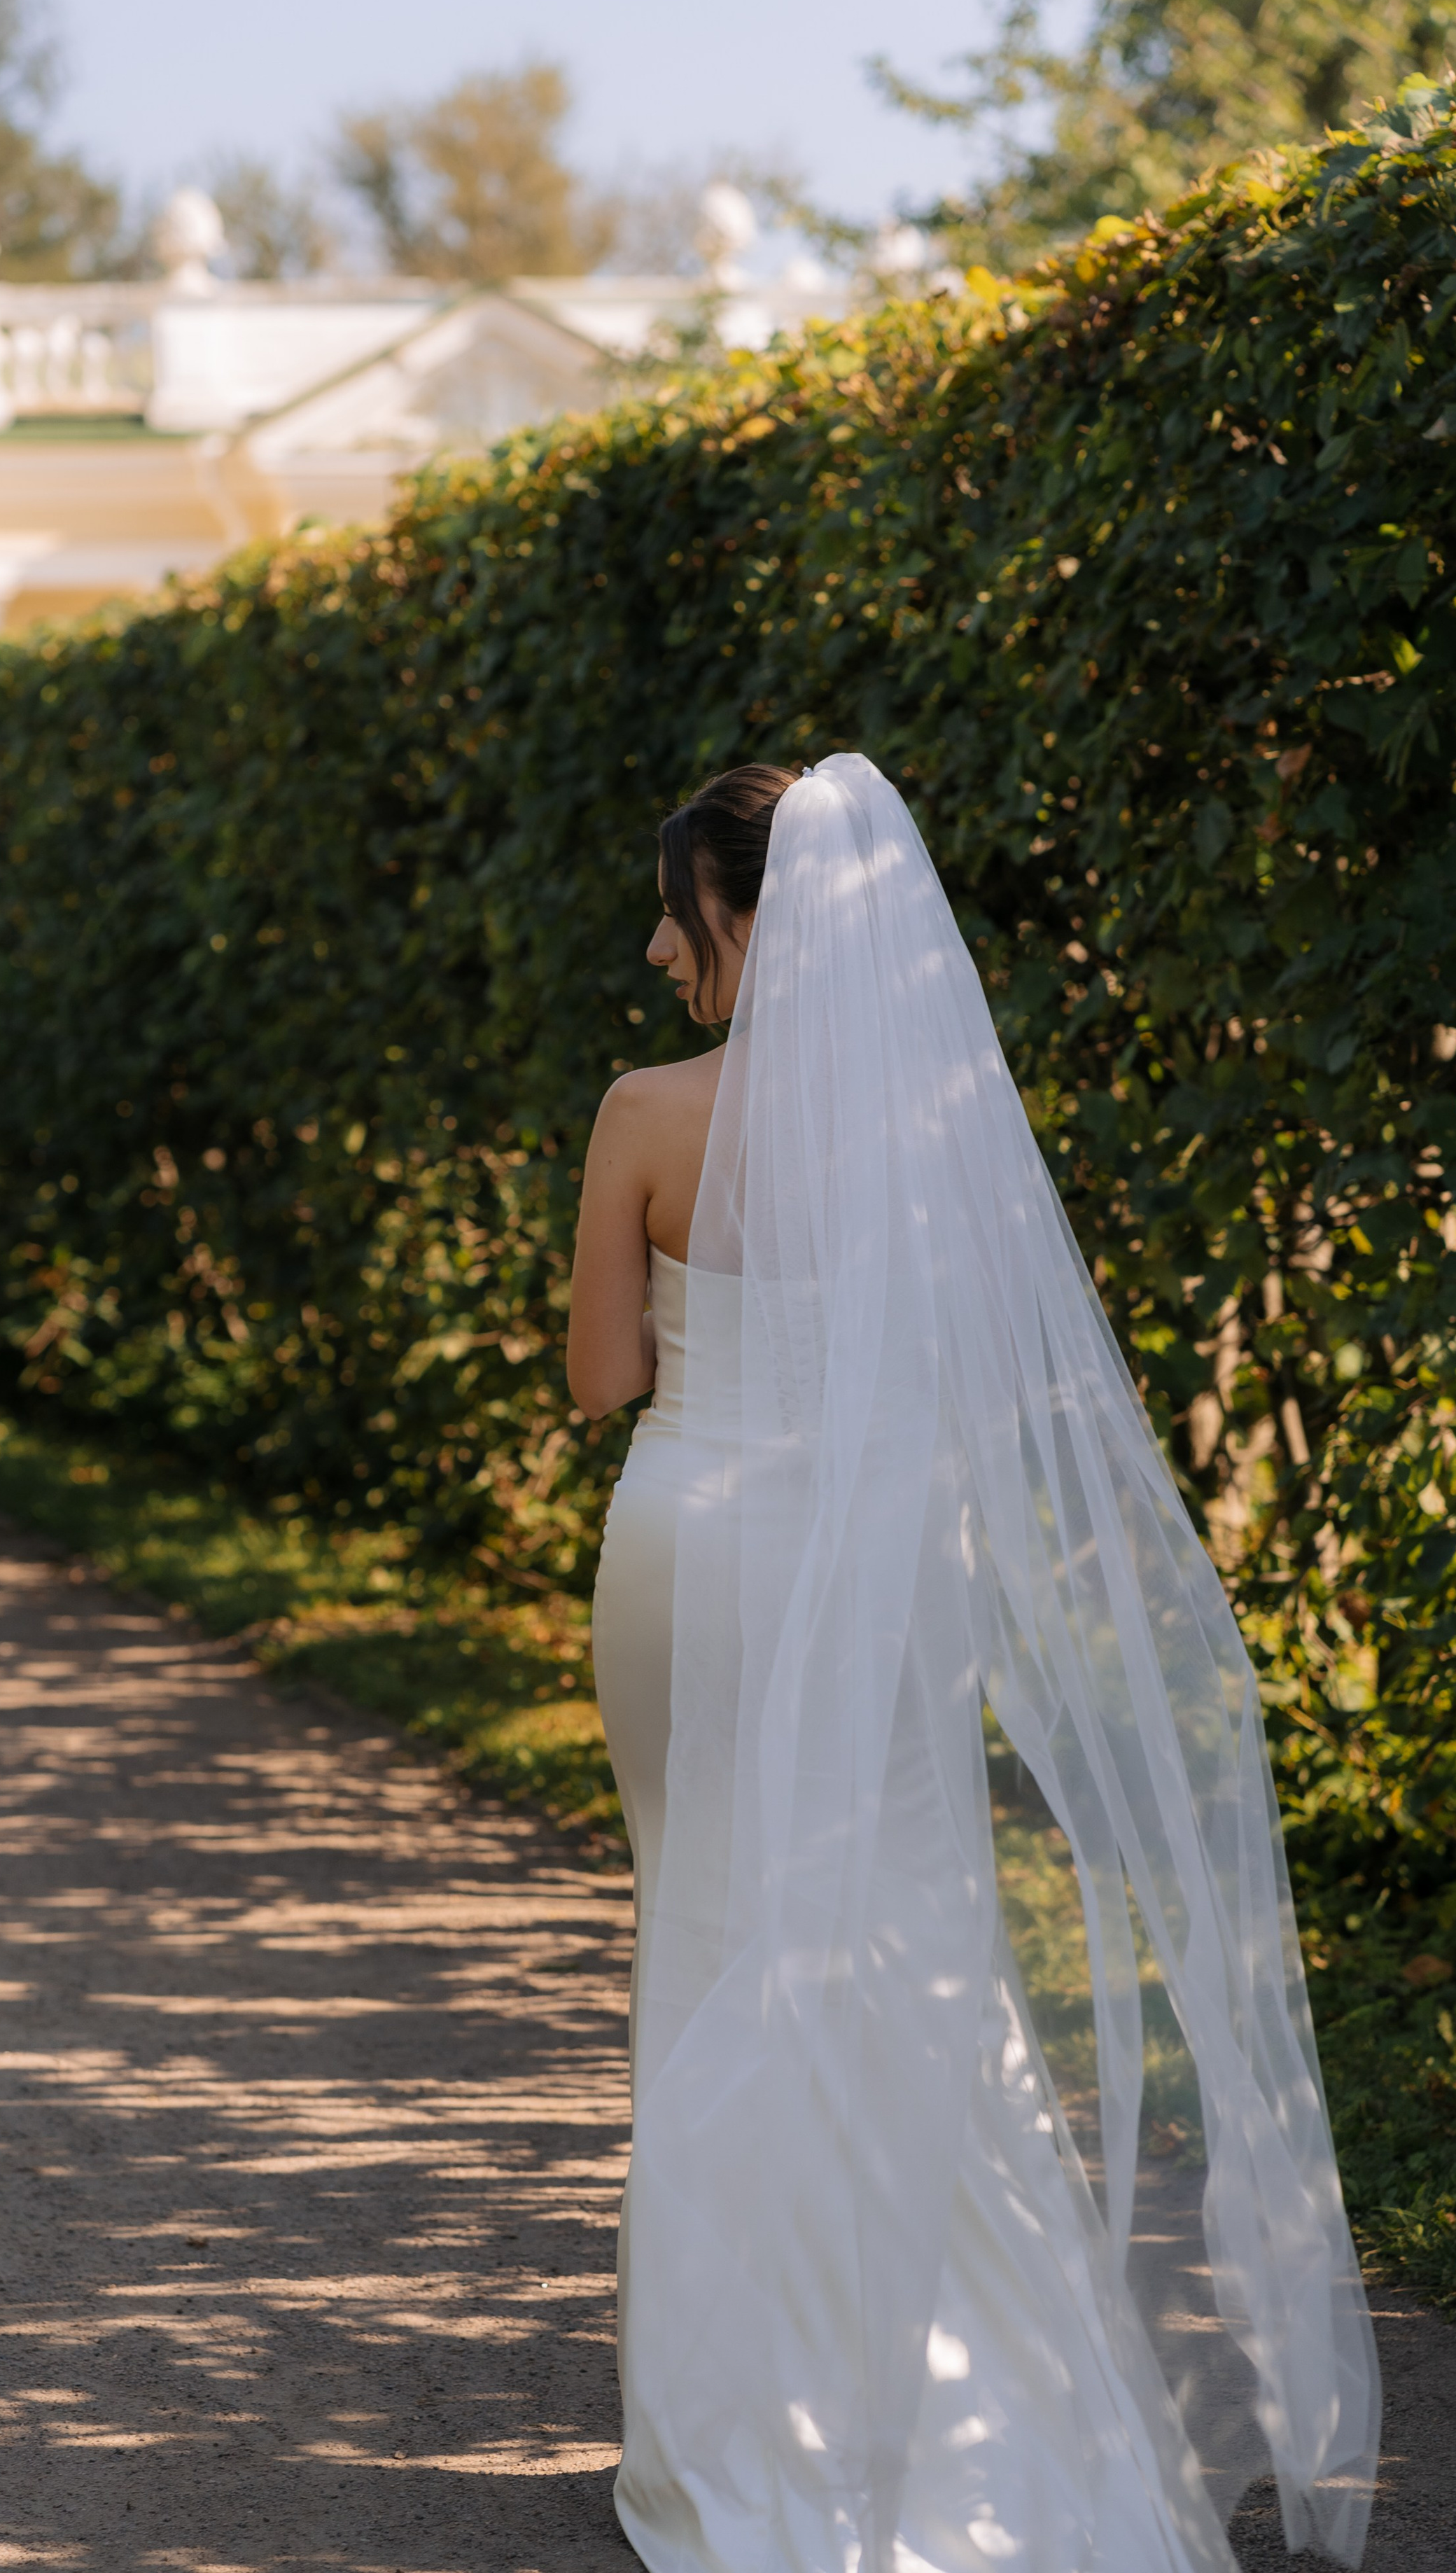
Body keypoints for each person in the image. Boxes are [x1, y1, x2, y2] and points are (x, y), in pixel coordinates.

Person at [568, 755, 1379, 2573]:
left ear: (748, 918)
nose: (659, 952)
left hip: (693, 1547)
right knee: (906, 1944)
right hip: (878, 1569)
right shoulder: (932, 1129)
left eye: (679, 917)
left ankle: (734, 2420)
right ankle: (953, 2399)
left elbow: (604, 1380)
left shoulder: (645, 1113)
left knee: (706, 1935)